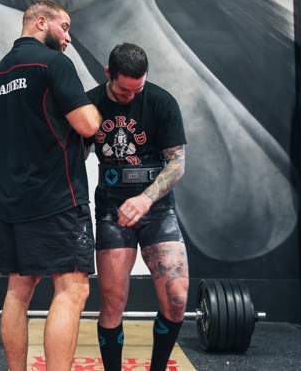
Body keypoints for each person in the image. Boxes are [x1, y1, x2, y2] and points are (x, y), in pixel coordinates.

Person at [0, 0, 102, 371]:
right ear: (40, 22)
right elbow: (88, 125)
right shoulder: (54, 64)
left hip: (13, 200)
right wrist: (95, 109)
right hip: (59, 198)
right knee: (72, 289)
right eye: (64, 27)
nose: (68, 38)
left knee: (18, 292)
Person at [84, 43, 188, 371]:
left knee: (177, 299)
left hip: (157, 209)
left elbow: (177, 164)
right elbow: (73, 156)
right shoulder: (90, 103)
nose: (131, 96)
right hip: (112, 210)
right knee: (113, 302)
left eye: (137, 89)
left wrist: (145, 198)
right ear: (108, 74)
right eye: (123, 90)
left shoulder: (161, 102)